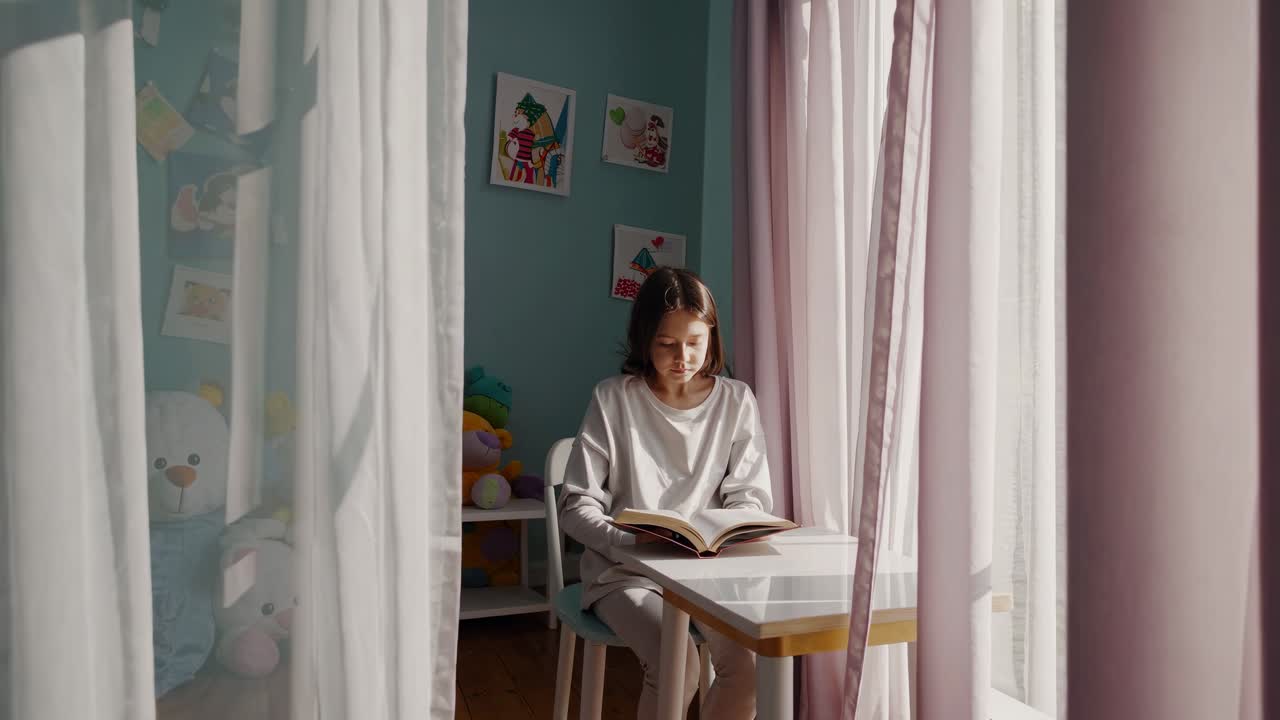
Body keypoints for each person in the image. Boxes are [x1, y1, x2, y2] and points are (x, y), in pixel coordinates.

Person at [559, 267, 771, 719]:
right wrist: (630, 542)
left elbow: (749, 498)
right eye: (666, 343)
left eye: (695, 342)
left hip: (707, 573)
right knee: (679, 665)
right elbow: (576, 504)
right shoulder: (614, 399)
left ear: (712, 336)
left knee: (749, 669)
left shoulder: (736, 401)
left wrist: (725, 533)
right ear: (643, 338)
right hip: (626, 573)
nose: (683, 356)